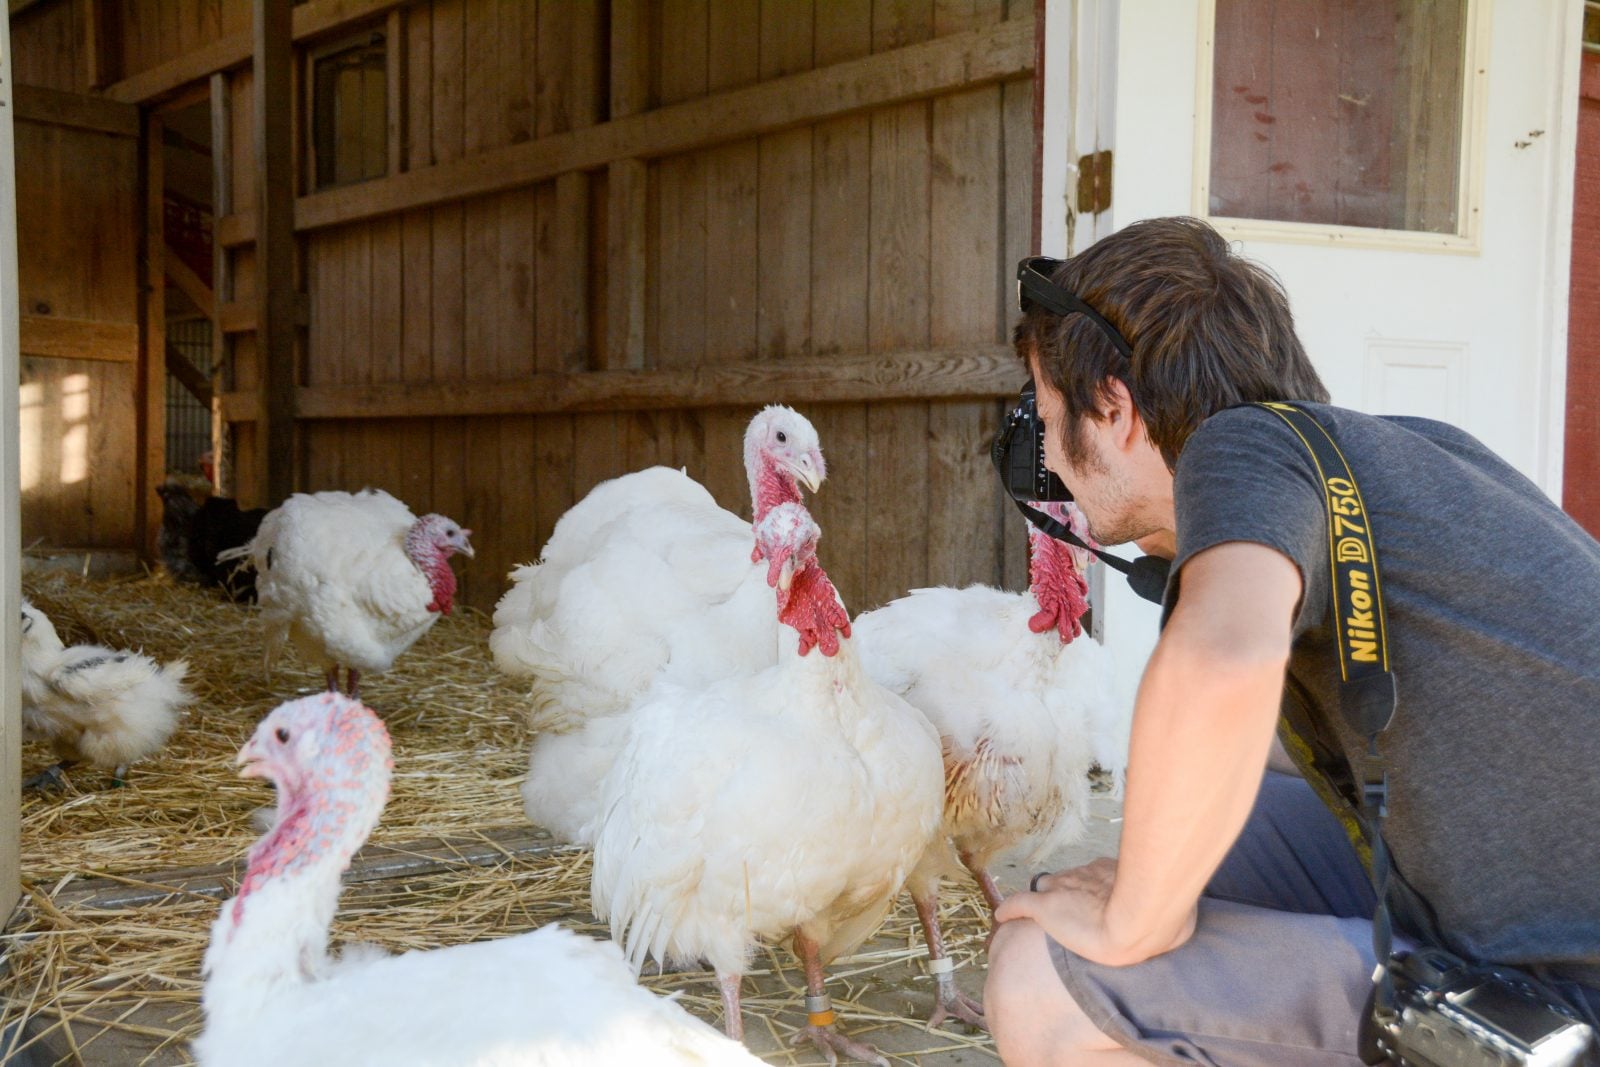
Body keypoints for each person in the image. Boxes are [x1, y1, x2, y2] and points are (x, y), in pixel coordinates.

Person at [984, 216, 1600, 1066]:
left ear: (1115, 408)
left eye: (1051, 418)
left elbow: (1223, 662)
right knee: (1182, 837)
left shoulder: (1240, 448)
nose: (1048, 456)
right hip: (1515, 906)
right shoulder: (1395, 453)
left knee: (1043, 977)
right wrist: (1151, 877)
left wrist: (1134, 918)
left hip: (1564, 1012)